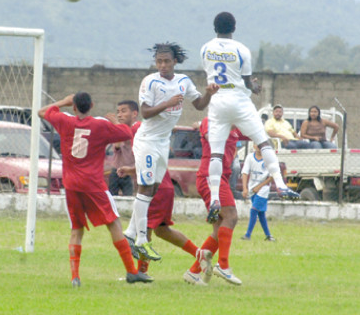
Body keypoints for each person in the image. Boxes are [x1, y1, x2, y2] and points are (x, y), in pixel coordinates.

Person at [38, 92, 152, 286]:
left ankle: (75, 276)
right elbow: (126, 133)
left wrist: (64, 101)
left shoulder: (64, 120)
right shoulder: (100, 124)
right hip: (93, 185)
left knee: (76, 229)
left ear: (74, 107)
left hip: (71, 185)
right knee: (113, 223)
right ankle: (131, 272)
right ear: (91, 105)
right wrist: (116, 121)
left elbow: (42, 111)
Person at [200, 12, 299, 227]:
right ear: (234, 27)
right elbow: (246, 82)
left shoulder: (205, 48)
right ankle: (281, 185)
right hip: (239, 101)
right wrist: (254, 86)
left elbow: (212, 73)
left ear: (214, 26)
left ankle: (215, 198)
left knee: (215, 152)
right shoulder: (242, 50)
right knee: (264, 142)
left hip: (217, 102)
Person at [125, 42, 218, 261]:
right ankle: (140, 241)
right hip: (146, 140)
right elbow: (145, 112)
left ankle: (130, 233)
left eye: (166, 61)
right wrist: (167, 103)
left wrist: (209, 93)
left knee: (153, 188)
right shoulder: (150, 81)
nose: (163, 65)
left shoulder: (183, 81)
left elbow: (199, 105)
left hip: (161, 142)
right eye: (159, 61)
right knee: (146, 187)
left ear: (175, 61)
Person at [117, 166, 213, 283]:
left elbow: (147, 162)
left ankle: (141, 272)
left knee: (145, 229)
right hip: (165, 187)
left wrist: (129, 170)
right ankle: (199, 254)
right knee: (162, 231)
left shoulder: (139, 146)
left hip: (156, 189)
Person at [184, 117, 246, 285]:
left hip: (222, 178)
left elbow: (253, 132)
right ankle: (223, 265)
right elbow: (213, 138)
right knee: (231, 216)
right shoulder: (210, 120)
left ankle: (193, 272)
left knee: (219, 229)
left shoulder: (234, 126)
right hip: (209, 177)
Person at [241, 144, 277, 242]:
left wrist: (259, 186)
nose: (259, 147)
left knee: (254, 210)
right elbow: (245, 173)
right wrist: (245, 188)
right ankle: (269, 236)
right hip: (252, 188)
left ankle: (247, 235)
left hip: (263, 189)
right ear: (254, 145)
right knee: (261, 213)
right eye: (257, 145)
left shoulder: (268, 159)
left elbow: (271, 176)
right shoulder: (249, 157)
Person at [108, 100, 140, 197]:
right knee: (112, 199)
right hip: (116, 169)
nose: (119, 115)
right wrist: (119, 129)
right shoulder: (118, 129)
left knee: (129, 198)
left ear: (134, 114)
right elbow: (117, 148)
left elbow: (129, 134)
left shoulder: (138, 128)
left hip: (130, 171)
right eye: (118, 112)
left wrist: (118, 126)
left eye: (123, 111)